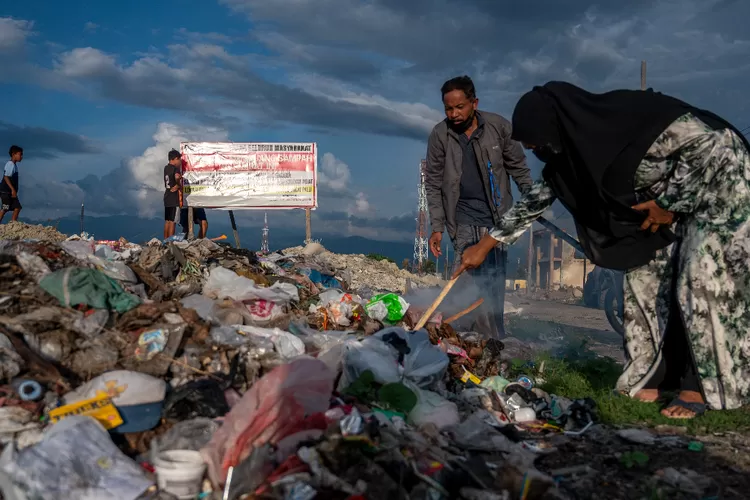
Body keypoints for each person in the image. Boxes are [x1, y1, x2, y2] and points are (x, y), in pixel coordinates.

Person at [455, 81, 750, 419]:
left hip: (720, 181)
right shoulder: (574, 154)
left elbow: (711, 145)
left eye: (538, 142)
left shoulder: (628, 123)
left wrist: (670, 203)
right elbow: (536, 200)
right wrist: (485, 244)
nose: (537, 151)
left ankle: (701, 387)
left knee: (700, 278)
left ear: (557, 126)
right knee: (642, 281)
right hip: (667, 202)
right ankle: (651, 377)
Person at [425, 75, 532, 338]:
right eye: (448, 108)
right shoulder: (440, 135)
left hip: (498, 219)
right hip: (461, 218)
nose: (454, 114)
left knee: (495, 281)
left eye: (459, 107)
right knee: (471, 280)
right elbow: (434, 183)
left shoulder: (498, 127)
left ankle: (496, 335)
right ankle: (477, 338)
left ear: (474, 102)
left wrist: (531, 198)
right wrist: (436, 226)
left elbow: (518, 167)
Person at [0, 145, 23, 223]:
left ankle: (13, 223)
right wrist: (12, 189)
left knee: (17, 207)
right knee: (5, 208)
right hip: (6, 191)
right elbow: (6, 177)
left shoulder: (14, 165)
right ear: (14, 154)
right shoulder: (10, 164)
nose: (21, 156)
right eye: (20, 154)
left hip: (10, 192)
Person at [163, 149, 183, 239]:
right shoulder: (176, 169)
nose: (180, 162)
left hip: (167, 196)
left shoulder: (166, 168)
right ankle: (170, 241)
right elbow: (177, 177)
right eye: (179, 160)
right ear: (175, 159)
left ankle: (165, 240)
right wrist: (178, 184)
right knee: (173, 221)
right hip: (174, 198)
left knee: (167, 221)